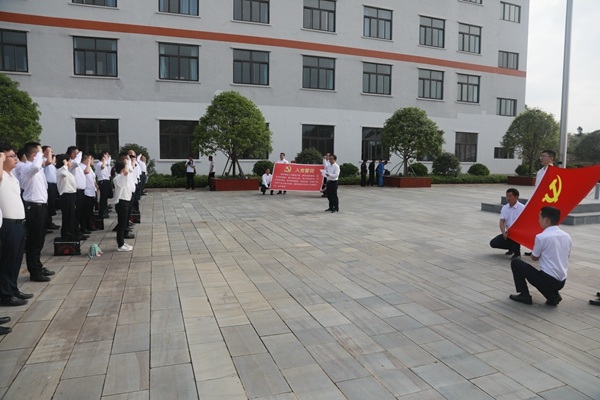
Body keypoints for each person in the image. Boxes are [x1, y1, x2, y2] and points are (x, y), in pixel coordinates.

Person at [509, 206, 571, 306]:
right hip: (561, 281)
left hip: (547, 280)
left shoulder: (541, 237)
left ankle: (524, 295)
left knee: (516, 263)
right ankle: (553, 296)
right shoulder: (566, 236)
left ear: (546, 220)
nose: (539, 221)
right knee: (540, 274)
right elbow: (567, 255)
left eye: (539, 218)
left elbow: (534, 257)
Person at [0, 144, 33, 306]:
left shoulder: (11, 175)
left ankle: (13, 288)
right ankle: (6, 294)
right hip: (8, 224)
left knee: (16, 259)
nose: (16, 159)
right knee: (7, 260)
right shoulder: (1, 176)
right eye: (11, 156)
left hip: (19, 223)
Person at [20, 142, 54, 281]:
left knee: (39, 239)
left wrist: (43, 154)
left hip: (41, 206)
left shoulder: (37, 168)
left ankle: (38, 266)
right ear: (34, 155)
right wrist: (40, 153)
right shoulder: (27, 167)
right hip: (33, 207)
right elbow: (35, 166)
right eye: (40, 153)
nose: (43, 155)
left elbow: (46, 163)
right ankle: (34, 271)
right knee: (34, 240)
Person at [489, 188, 525, 260]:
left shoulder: (522, 208)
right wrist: (503, 233)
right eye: (507, 196)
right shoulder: (505, 208)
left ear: (516, 197)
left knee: (515, 237)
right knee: (493, 243)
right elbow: (502, 221)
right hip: (509, 232)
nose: (508, 198)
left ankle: (517, 254)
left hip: (519, 232)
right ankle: (511, 248)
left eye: (510, 196)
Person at [112, 160, 135, 252]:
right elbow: (126, 172)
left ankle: (122, 242)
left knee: (124, 224)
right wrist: (127, 163)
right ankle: (120, 244)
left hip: (126, 202)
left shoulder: (124, 177)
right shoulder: (118, 178)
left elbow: (132, 188)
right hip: (122, 203)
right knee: (121, 225)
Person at [56, 154, 78, 241]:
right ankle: (66, 235)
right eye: (69, 161)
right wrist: (65, 164)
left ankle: (71, 235)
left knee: (71, 217)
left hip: (71, 195)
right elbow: (64, 173)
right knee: (67, 217)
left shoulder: (67, 171)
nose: (71, 163)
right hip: (66, 196)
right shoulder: (61, 170)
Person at [43, 146, 60, 230]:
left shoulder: (50, 163)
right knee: (49, 204)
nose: (52, 153)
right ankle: (47, 223)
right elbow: (49, 162)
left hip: (53, 185)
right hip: (48, 185)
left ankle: (49, 222)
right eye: (50, 151)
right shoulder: (43, 161)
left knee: (52, 204)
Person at [94, 150, 112, 218]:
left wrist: (107, 159)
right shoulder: (99, 163)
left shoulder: (104, 163)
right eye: (106, 155)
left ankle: (105, 209)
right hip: (102, 181)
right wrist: (104, 160)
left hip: (106, 180)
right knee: (103, 197)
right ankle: (102, 211)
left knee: (106, 196)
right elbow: (103, 167)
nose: (107, 156)